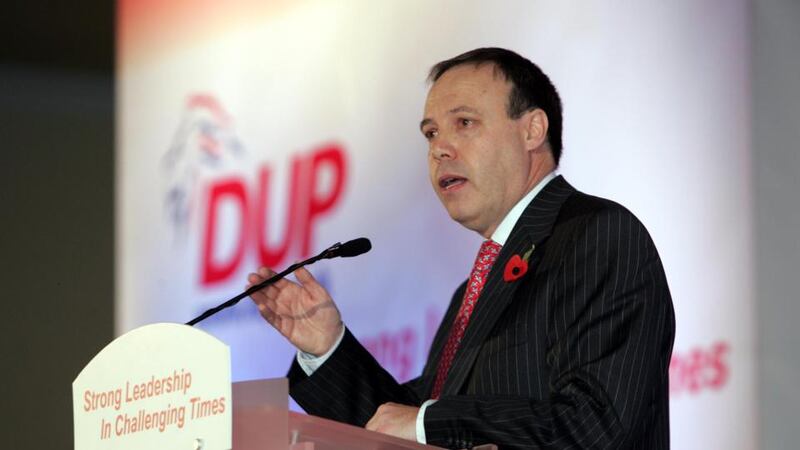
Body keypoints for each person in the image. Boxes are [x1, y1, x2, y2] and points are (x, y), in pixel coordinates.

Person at [247, 47, 675, 449]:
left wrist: (429, 422)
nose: (439, 148)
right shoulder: (470, 291)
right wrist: (328, 348)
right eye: (430, 133)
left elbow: (599, 424)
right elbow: (398, 427)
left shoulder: (598, 237)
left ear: (532, 129)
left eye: (464, 123)